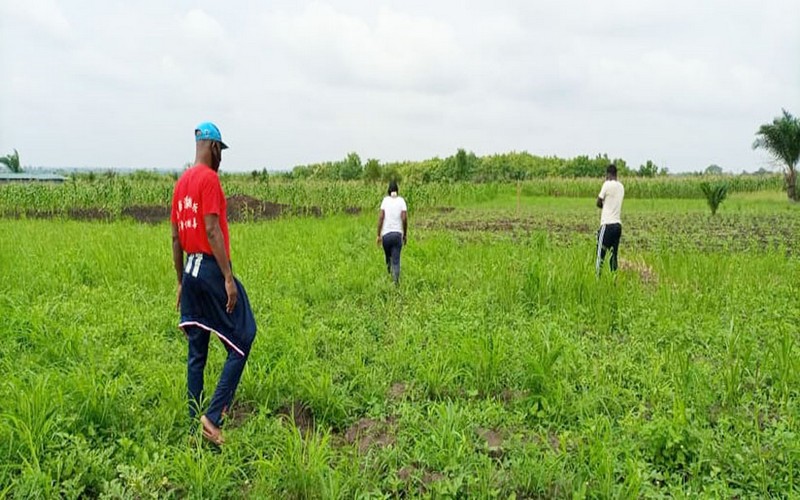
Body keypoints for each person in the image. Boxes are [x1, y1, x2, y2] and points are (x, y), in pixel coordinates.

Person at [170, 122, 257, 445]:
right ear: (215, 148)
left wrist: (181, 282)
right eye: (221, 152)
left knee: (197, 350)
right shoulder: (209, 180)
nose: (221, 159)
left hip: (190, 272)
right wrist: (227, 278)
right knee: (244, 335)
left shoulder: (181, 185)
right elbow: (211, 228)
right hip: (209, 270)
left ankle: (194, 423)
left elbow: (176, 239)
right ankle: (213, 416)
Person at [376, 180, 407, 284]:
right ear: (397, 190)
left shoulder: (385, 201)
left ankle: (389, 273)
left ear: (388, 190)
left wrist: (378, 235)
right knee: (396, 260)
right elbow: (404, 218)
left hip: (386, 235)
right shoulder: (401, 201)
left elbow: (381, 217)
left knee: (388, 256)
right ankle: (395, 283)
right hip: (397, 234)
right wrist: (405, 234)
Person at [595, 164, 624, 275]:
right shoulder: (621, 187)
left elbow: (598, 202)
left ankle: (597, 279)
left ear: (608, 174)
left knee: (600, 255)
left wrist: (604, 205)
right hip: (617, 226)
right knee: (613, 255)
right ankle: (614, 278)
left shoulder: (606, 184)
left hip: (607, 224)